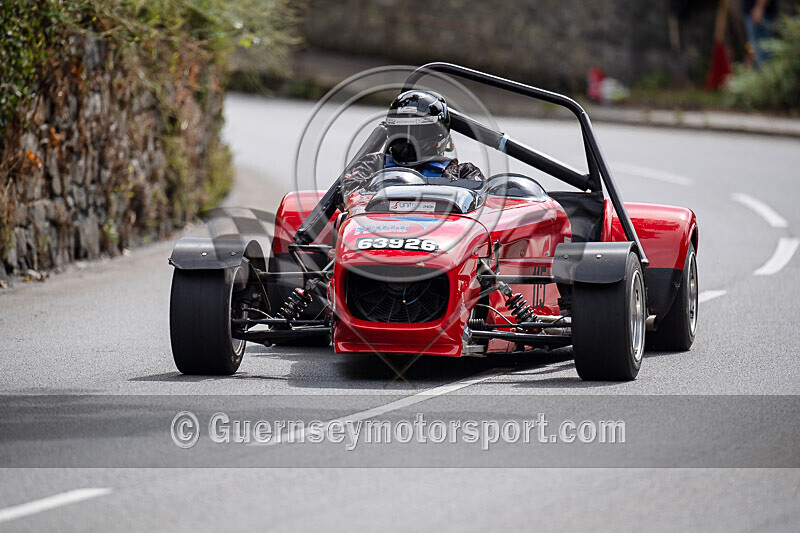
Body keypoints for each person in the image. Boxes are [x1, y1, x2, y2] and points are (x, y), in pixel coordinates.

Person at [384, 90, 484, 181]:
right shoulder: (373, 165)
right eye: (401, 131)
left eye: (419, 132)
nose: (409, 141)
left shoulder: (463, 173)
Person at [744, 0, 777, 69]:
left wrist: (759, 6)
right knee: (756, 55)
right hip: (752, 14)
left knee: (764, 59)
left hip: (760, 16)